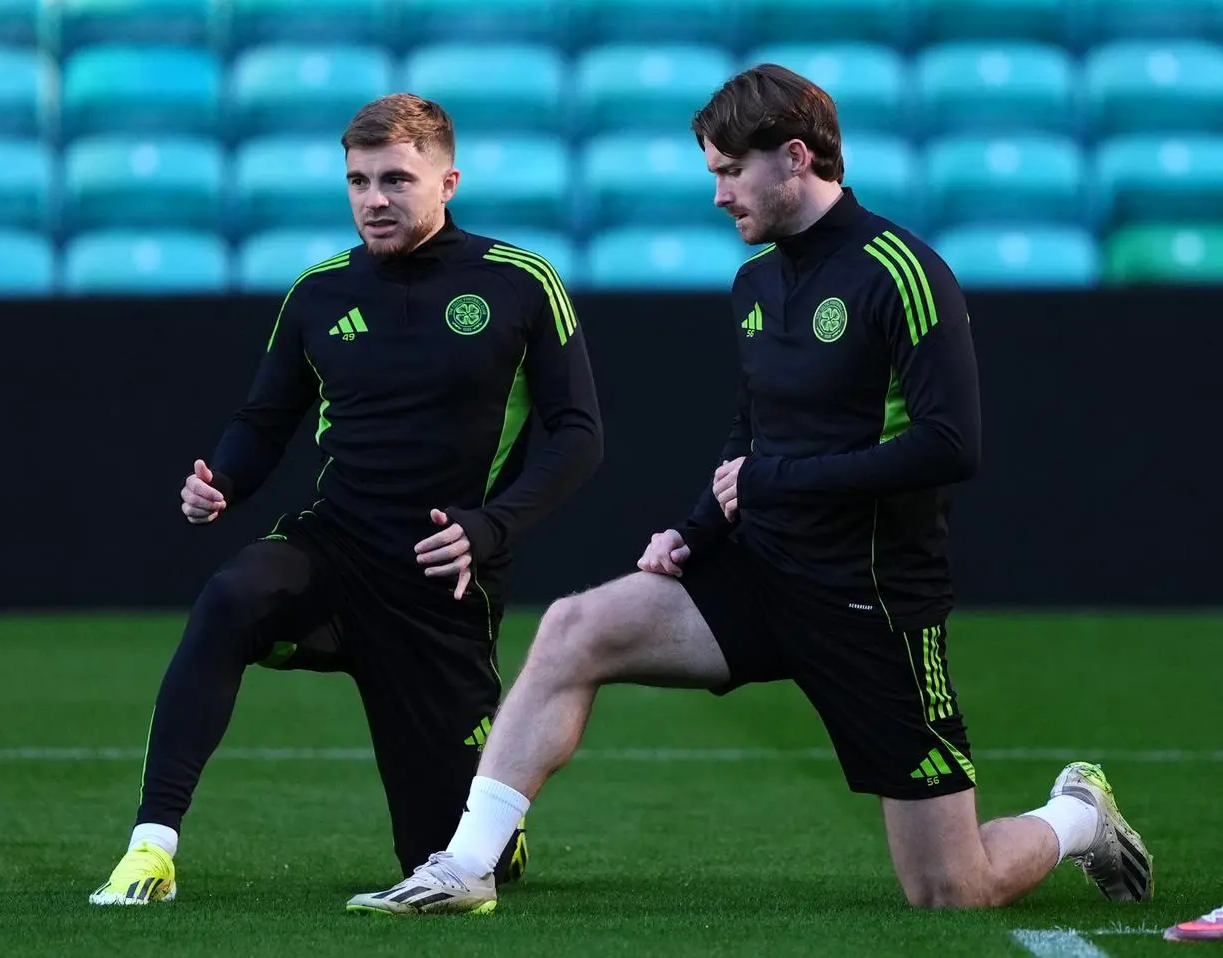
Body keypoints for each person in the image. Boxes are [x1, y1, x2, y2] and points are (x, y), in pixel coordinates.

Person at [344, 65, 1153, 916]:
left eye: (730, 172)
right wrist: (695, 530)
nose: (720, 195)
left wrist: (777, 481)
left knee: (952, 890)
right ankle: (464, 865)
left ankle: (1075, 814)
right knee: (576, 626)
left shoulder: (902, 270)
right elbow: (751, 432)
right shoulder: (755, 283)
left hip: (871, 599)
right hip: (762, 577)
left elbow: (951, 446)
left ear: (795, 157)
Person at [88, 93, 603, 905]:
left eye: (396, 179)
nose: (375, 199)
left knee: (452, 856)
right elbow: (265, 420)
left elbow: (579, 435)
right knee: (232, 596)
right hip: (335, 548)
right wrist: (221, 481)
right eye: (359, 181)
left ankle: (495, 836)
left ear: (448, 181)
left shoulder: (521, 282)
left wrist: (491, 528)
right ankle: (151, 846)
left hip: (443, 583)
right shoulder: (319, 292)